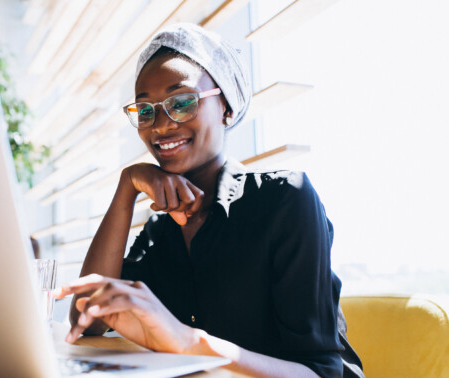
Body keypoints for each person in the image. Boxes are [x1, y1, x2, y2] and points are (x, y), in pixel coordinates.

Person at [54, 23, 364, 377]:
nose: (160, 124)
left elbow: (321, 373)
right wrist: (127, 187)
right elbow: (85, 320)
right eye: (145, 110)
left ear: (227, 108)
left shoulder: (284, 200)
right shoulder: (161, 231)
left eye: (182, 102)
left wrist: (189, 343)